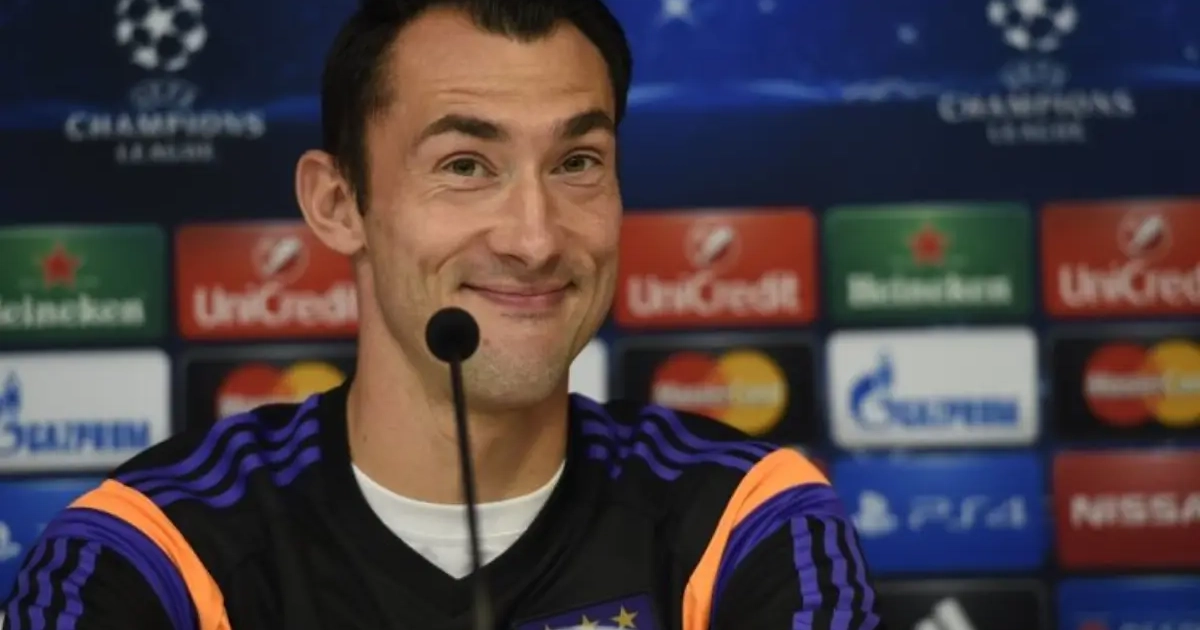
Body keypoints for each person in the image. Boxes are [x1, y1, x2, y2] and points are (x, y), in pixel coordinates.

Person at [2, 0, 888, 628]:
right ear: (338, 203)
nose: (535, 239)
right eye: (465, 166)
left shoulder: (745, 518)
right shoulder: (150, 550)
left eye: (578, 163)